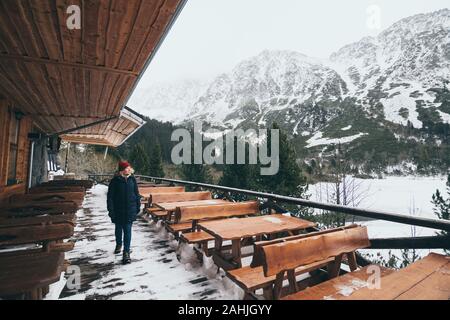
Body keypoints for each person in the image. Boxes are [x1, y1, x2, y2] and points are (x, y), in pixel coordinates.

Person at [107, 161, 141, 264]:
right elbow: (110, 198)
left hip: (130, 210)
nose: (129, 169)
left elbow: (136, 194)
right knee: (118, 229)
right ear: (122, 170)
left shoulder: (132, 179)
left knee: (127, 231)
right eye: (127, 167)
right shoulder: (115, 181)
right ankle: (118, 244)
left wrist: (138, 207)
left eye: (129, 167)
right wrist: (111, 211)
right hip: (118, 211)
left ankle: (126, 253)